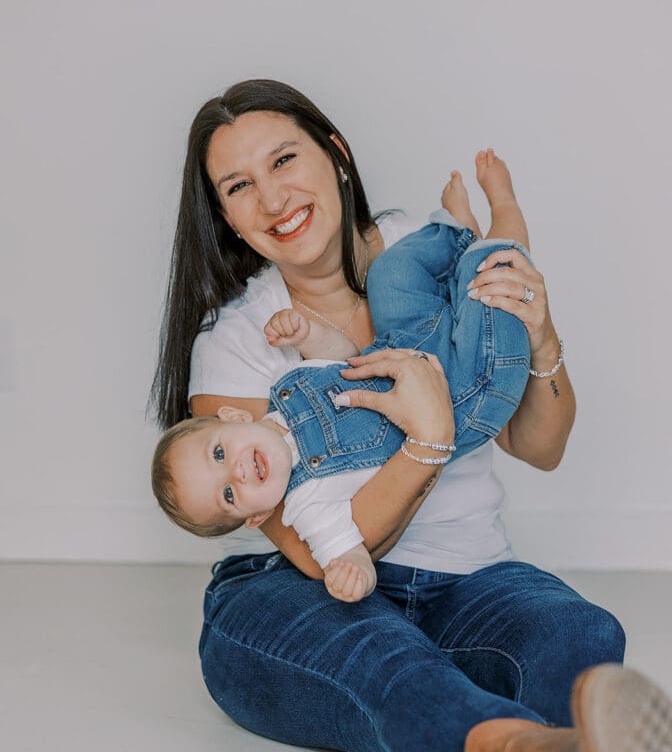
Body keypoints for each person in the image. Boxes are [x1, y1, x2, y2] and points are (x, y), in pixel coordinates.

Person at [150, 79, 672, 752]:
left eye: (283, 159)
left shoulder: (427, 251)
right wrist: (427, 439)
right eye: (238, 187)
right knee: (384, 659)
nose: (272, 198)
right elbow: (313, 550)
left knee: (580, 637)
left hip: (469, 577)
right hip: (313, 591)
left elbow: (539, 446)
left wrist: (538, 337)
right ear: (225, 217)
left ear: (335, 152)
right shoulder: (235, 346)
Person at [152, 157, 534, 603]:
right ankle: (502, 207)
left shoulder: (287, 394)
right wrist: (352, 572)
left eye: (219, 453)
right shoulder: (306, 505)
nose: (236, 471)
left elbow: (347, 361)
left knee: (390, 274)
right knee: (493, 278)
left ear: (235, 417)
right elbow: (344, 552)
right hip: (469, 393)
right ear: (255, 518)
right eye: (230, 495)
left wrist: (308, 334)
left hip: (408, 343)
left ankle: (456, 231)